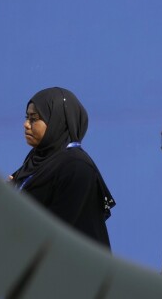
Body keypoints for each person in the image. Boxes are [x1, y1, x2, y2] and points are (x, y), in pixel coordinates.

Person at [9, 87, 115, 249]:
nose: (26, 124)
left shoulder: (76, 167)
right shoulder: (37, 159)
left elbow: (58, 230)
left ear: (56, 121)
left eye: (33, 119)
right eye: (27, 118)